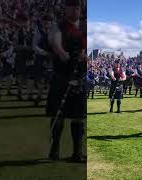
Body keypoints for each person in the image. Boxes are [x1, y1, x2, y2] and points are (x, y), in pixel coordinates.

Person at [46, 0, 86, 163]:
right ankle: (54, 150)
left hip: (80, 78)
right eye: (71, 7)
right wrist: (68, 56)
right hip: (62, 77)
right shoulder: (58, 26)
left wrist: (85, 58)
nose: (75, 10)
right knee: (59, 115)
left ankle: (77, 153)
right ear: (65, 9)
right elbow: (56, 46)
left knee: (78, 117)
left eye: (77, 7)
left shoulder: (86, 27)